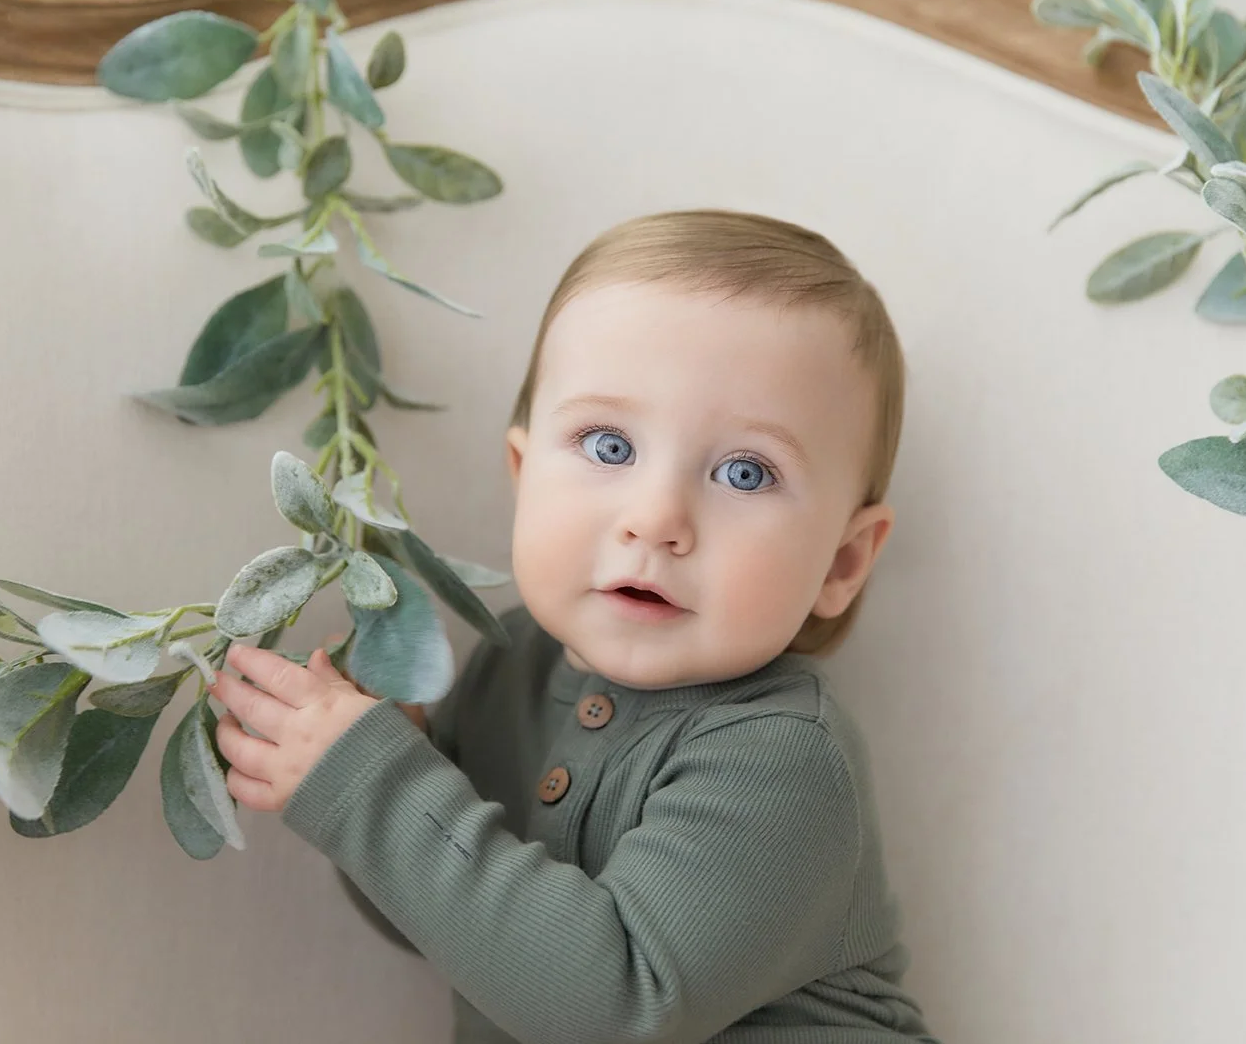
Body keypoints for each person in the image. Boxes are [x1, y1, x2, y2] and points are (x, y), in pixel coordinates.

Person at [209, 209, 940, 1043]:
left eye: (745, 472)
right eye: (609, 446)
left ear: (842, 562)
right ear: (524, 476)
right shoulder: (508, 664)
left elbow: (610, 1009)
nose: (656, 517)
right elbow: (455, 932)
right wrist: (393, 767)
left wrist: (376, 788)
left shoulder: (783, 755)